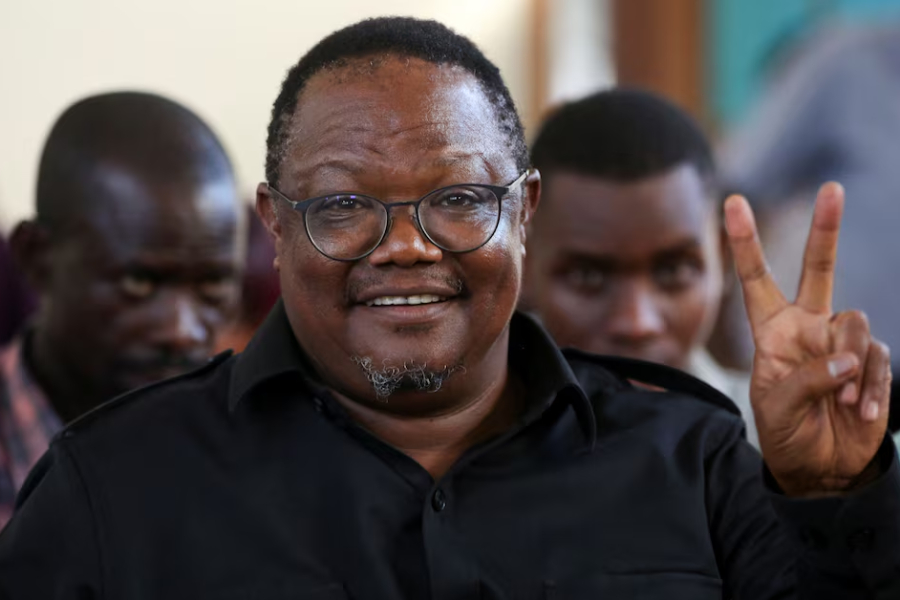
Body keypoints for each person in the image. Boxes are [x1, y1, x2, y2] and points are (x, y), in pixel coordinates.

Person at [0, 18, 897, 598]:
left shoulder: (691, 461)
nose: (408, 245)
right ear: (273, 226)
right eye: (344, 205)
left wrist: (830, 496)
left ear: (526, 213)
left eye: (461, 199)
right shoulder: (114, 487)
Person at [0, 91, 242, 528]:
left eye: (212, 284)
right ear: (36, 258)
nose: (182, 331)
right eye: (140, 283)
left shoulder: (262, 451)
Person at [522, 89, 757, 447]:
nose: (636, 322)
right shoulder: (466, 443)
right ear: (522, 261)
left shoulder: (776, 443)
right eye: (588, 277)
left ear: (723, 258)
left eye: (673, 272)